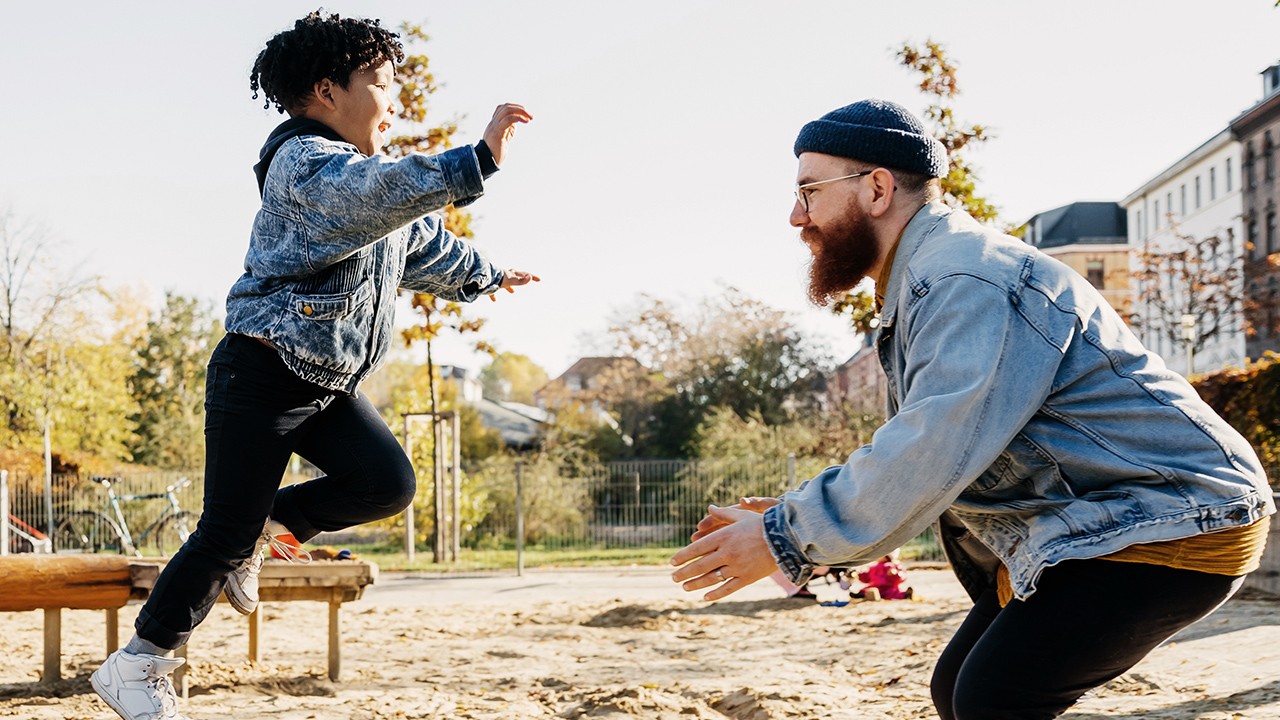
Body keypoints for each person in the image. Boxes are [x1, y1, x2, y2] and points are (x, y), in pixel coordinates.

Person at [670, 99, 1274, 720]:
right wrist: (797, 514)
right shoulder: (932, 277)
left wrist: (787, 536)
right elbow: (936, 448)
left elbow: (932, 448)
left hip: (1175, 515)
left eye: (809, 191)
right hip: (1107, 517)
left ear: (877, 188)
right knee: (960, 690)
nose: (796, 216)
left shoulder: (965, 278)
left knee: (996, 698)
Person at [91, 11, 536, 720]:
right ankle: (137, 662)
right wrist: (473, 159)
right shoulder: (306, 166)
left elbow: (422, 244)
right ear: (328, 93)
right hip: (262, 374)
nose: (392, 101)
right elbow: (380, 194)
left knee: (386, 481)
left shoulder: (364, 184)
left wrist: (487, 275)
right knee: (222, 532)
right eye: (383, 85)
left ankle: (271, 527)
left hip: (324, 383)